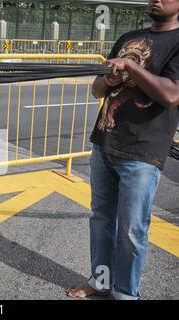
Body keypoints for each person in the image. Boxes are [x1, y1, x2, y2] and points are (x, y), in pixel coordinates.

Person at [67, 0, 179, 300]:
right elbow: (97, 90)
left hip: (143, 153)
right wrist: (109, 79)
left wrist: (130, 66)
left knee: (131, 231)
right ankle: (100, 282)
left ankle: (126, 294)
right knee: (101, 219)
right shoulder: (127, 38)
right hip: (105, 142)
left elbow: (171, 94)